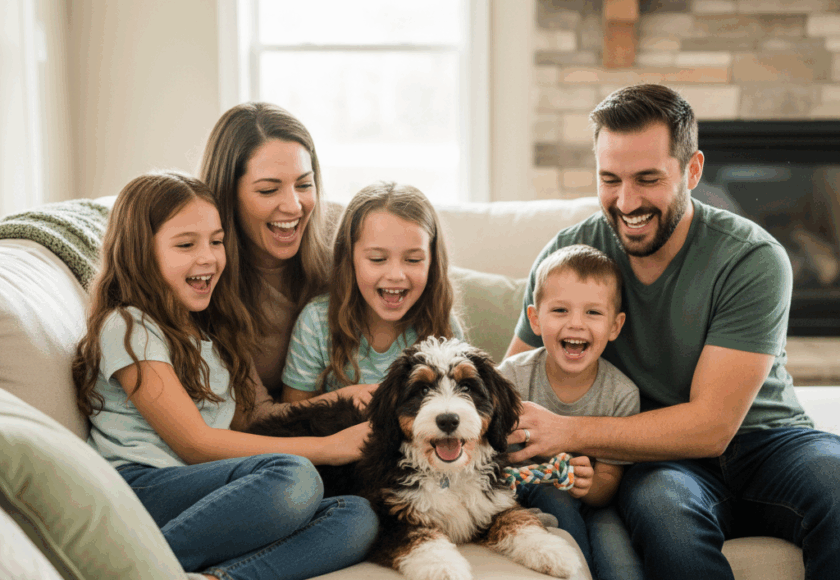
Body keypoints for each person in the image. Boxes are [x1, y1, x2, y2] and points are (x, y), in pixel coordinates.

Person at [505, 83, 840, 580]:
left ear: (693, 170)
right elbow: (513, 381)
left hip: (769, 440)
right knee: (664, 509)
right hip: (660, 458)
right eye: (610, 179)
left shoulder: (752, 257)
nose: (626, 201)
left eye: (647, 179)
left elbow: (713, 426)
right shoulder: (571, 256)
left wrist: (569, 430)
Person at [72, 171, 377, 580]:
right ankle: (135, 570)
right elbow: (195, 443)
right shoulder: (128, 326)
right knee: (295, 477)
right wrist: (329, 446)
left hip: (206, 488)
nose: (209, 257)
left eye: (216, 241)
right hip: (144, 486)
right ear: (139, 253)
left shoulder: (209, 332)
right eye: (186, 244)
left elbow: (250, 422)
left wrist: (342, 398)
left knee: (357, 514)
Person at [497, 244, 639, 573]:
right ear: (534, 318)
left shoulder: (621, 393)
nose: (575, 324)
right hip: (526, 492)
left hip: (596, 508)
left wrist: (592, 485)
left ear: (615, 326)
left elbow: (608, 483)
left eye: (593, 313)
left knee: (621, 566)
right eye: (560, 310)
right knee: (554, 498)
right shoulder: (512, 377)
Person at [199, 102, 331, 411]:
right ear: (227, 194)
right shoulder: (205, 283)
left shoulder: (339, 252)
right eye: (269, 190)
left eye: (304, 184)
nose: (294, 206)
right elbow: (256, 416)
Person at [281, 181, 462, 403]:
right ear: (349, 259)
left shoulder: (443, 325)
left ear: (432, 263)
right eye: (377, 259)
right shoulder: (317, 323)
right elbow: (291, 415)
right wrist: (342, 399)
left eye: (413, 260)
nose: (396, 275)